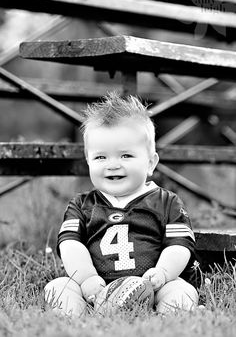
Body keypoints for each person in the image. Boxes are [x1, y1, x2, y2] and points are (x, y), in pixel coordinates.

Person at [44, 92, 199, 316]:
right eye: (100, 157)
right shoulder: (81, 204)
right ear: (88, 161)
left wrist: (163, 273)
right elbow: (70, 246)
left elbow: (180, 245)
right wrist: (87, 280)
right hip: (95, 289)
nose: (112, 165)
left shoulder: (166, 201)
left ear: (150, 163)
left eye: (126, 155)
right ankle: (77, 317)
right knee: (58, 287)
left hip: (151, 287)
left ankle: (167, 315)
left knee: (181, 290)